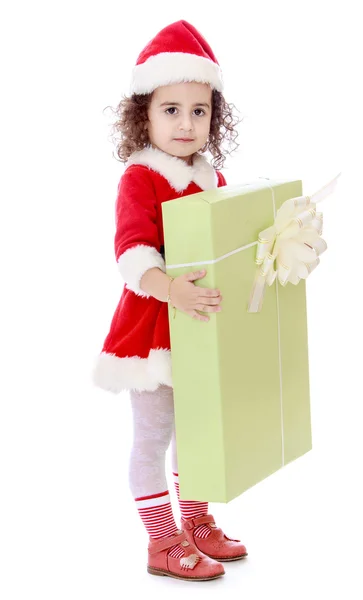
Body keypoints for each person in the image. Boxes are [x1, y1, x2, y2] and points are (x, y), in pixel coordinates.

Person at [93, 20, 247, 581]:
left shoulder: (209, 175)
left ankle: (196, 519)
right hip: (155, 326)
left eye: (199, 110)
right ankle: (162, 541)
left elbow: (226, 239)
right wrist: (171, 287)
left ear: (214, 116)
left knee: (201, 429)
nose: (186, 123)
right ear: (144, 114)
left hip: (198, 324)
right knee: (154, 433)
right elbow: (131, 254)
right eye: (171, 109)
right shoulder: (140, 177)